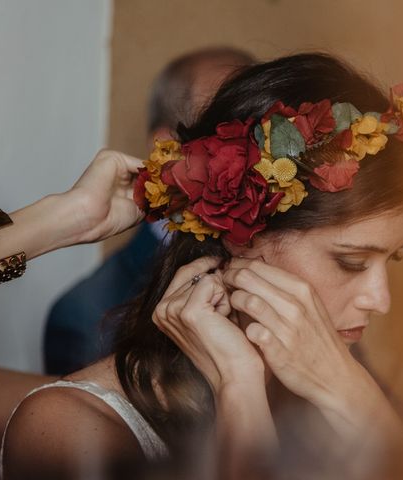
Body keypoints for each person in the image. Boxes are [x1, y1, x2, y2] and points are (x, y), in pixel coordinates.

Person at [0, 53, 403, 480]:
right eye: (352, 261)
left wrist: (358, 401)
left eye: (392, 257)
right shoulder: (71, 431)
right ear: (241, 236)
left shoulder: (325, 386)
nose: (380, 299)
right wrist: (239, 389)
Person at [44, 47, 255, 375]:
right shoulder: (88, 313)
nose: (253, 154)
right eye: (228, 128)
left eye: (261, 131)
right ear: (166, 145)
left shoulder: (299, 264)